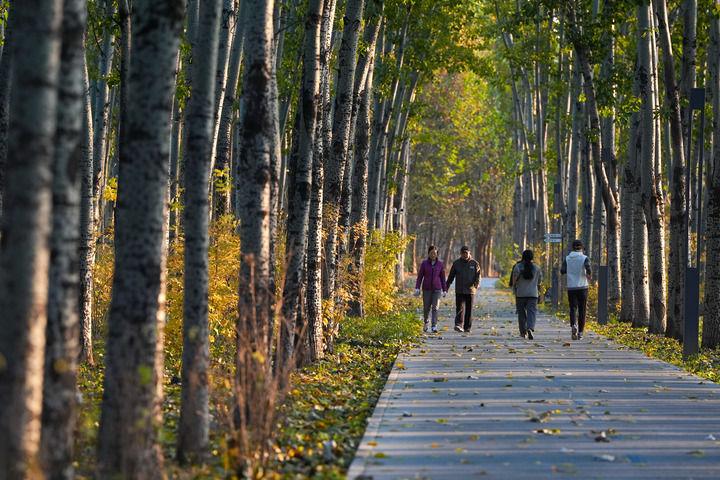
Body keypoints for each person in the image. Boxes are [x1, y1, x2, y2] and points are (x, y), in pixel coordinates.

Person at [561, 239, 592, 340]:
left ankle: (573, 324)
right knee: (582, 309)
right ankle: (580, 333)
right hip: (583, 287)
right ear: (582, 248)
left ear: (572, 248)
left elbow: (562, 271)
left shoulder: (567, 258)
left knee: (573, 308)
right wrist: (589, 275)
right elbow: (588, 268)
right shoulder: (584, 258)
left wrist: (571, 270)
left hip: (571, 287)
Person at [446, 246, 481, 333]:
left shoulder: (474, 263)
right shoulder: (456, 263)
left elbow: (478, 275)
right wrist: (446, 287)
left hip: (470, 290)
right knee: (459, 308)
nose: (465, 255)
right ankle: (458, 325)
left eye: (466, 253)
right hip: (460, 289)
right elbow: (451, 276)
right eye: (463, 253)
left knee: (469, 309)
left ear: (469, 253)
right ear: (460, 254)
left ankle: (467, 327)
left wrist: (476, 284)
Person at [510, 249, 543, 339]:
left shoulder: (517, 267)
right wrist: (541, 295)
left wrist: (514, 289)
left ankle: (523, 332)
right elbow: (540, 282)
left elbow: (514, 281)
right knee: (532, 312)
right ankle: (530, 328)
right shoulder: (537, 268)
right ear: (532, 257)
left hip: (520, 294)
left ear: (523, 257)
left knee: (521, 314)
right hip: (533, 294)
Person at [414, 246, 447, 333]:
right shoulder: (424, 263)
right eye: (431, 253)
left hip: (437, 289)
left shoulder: (440, 264)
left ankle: (434, 326)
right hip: (427, 289)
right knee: (426, 308)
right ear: (428, 253)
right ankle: (426, 322)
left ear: (437, 254)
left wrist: (444, 290)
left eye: (435, 253)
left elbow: (443, 278)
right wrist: (417, 288)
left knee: (435, 308)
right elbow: (420, 277)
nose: (433, 255)